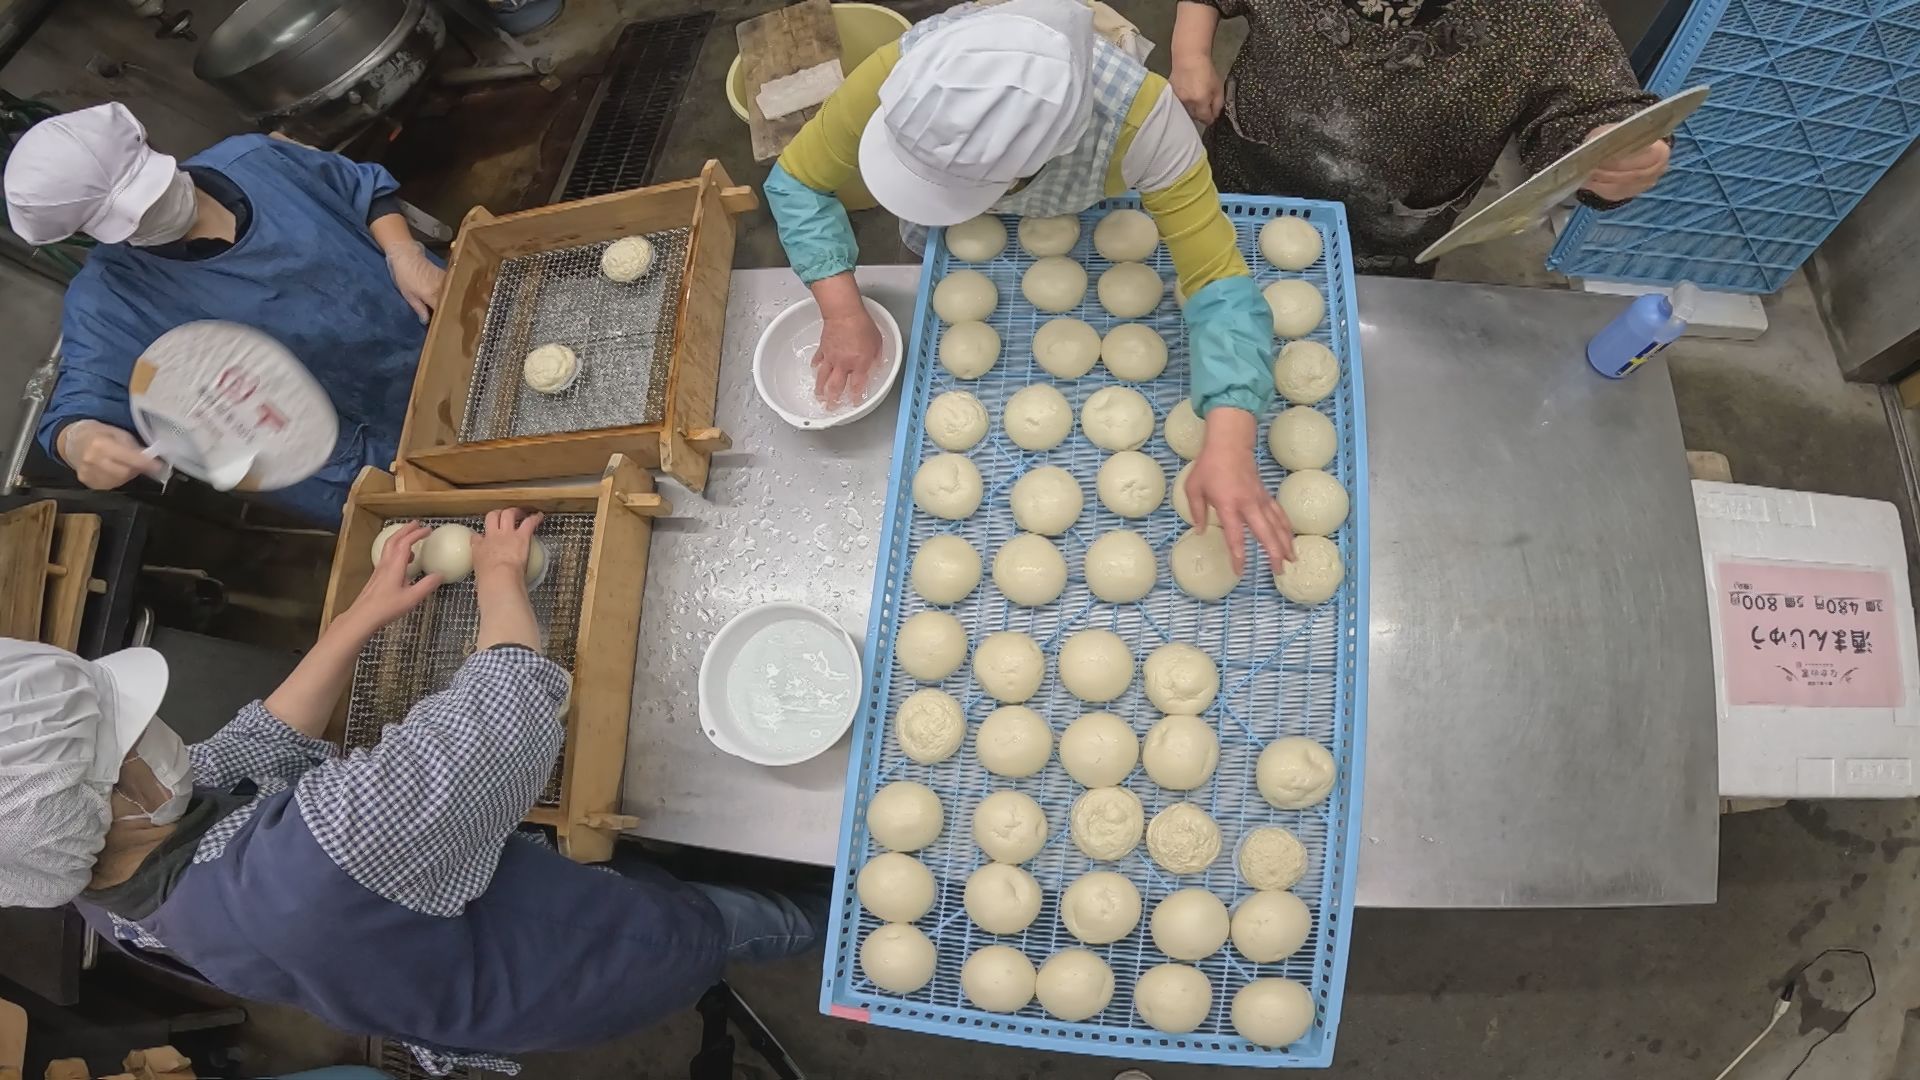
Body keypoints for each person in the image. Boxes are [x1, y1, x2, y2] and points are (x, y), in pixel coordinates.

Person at [0, 510, 823, 1074]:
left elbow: (253, 747)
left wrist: (359, 617)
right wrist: (502, 580)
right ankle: (822, 922)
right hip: (571, 959)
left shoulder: (101, 880)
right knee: (723, 922)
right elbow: (510, 708)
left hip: (429, 964)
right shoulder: (324, 856)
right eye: (132, 733)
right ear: (103, 800)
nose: (157, 730)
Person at [767, 0, 1294, 572]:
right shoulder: (910, 72)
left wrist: (1231, 436)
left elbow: (1216, 278)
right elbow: (797, 181)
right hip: (963, 235)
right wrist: (842, 310)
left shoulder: (1145, 122)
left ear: (1038, 166)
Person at [3, 103, 445, 524]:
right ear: (85, 231)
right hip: (363, 451)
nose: (158, 210)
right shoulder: (110, 298)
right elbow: (79, 403)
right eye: (133, 218)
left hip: (442, 333)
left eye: (154, 189)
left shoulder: (255, 159)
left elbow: (360, 189)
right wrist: (81, 441)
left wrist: (403, 252)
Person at [1170, 0, 1672, 276]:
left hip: (1379, 243)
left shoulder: (1547, 16)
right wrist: (1190, 49)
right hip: (1245, 182)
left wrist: (1611, 150)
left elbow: (1593, 110)